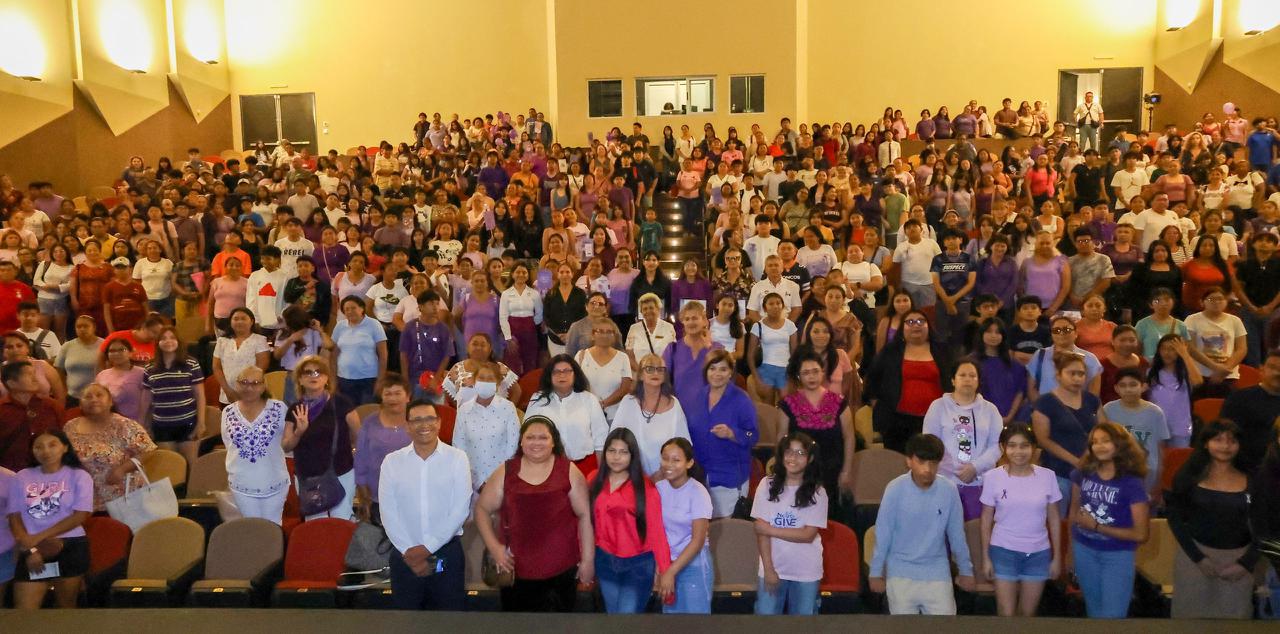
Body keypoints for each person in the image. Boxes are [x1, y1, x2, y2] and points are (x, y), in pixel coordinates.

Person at [473, 416, 595, 612]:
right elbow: (481, 509)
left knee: (560, 625)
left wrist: (588, 560)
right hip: (515, 571)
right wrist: (494, 548)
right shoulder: (506, 471)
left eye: (543, 437)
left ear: (553, 442)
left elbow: (585, 515)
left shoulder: (569, 471)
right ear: (521, 441)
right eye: (530, 437)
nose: (536, 443)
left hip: (561, 571)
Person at [379, 400, 472, 611]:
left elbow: (460, 510)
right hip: (404, 554)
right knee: (407, 621)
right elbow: (388, 512)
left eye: (430, 418)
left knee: (448, 620)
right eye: (417, 420)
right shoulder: (392, 462)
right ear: (407, 426)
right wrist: (410, 552)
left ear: (439, 422)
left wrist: (427, 549)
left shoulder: (457, 458)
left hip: (446, 553)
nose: (424, 425)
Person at [868, 433, 975, 615]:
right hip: (900, 574)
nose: (927, 469)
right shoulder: (894, 489)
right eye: (921, 461)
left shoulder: (949, 490)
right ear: (909, 461)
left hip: (937, 573)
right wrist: (875, 572)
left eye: (933, 463)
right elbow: (883, 533)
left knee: (944, 627)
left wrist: (966, 570)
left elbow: (956, 534)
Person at [1166, 420, 1257, 619]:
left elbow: (1264, 526)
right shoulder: (1188, 475)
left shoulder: (1253, 479)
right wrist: (1198, 558)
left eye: (1232, 441)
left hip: (1239, 562)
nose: (1225, 446)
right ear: (1206, 443)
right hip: (1194, 558)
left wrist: (1245, 563)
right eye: (1218, 440)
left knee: (1235, 624)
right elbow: (1175, 517)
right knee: (1189, 622)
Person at [979, 424, 1063, 617]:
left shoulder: (1048, 476)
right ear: (1003, 447)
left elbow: (1054, 518)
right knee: (1006, 613)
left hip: (1038, 553)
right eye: (1012, 445)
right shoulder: (992, 477)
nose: (1018, 451)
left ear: (1033, 448)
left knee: (1027, 614)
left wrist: (1057, 557)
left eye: (1024, 445)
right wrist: (986, 558)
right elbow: (986, 519)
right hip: (1003, 551)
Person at [1069, 422, 1151, 619]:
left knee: (1113, 616)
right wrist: (1069, 552)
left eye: (1106, 441)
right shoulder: (1083, 473)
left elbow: (1141, 534)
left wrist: (1097, 527)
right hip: (1084, 550)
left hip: (1117, 555)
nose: (1100, 446)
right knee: (1093, 611)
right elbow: (1074, 513)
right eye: (1095, 442)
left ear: (1119, 444)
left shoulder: (1132, 483)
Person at [5, 430, 92, 609]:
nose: (45, 451)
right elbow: (14, 517)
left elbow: (79, 516)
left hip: (70, 545)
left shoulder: (79, 476)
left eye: (52, 445)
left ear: (65, 447)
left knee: (65, 608)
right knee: (24, 611)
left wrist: (40, 537)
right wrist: (32, 548)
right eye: (39, 447)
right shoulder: (22, 476)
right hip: (31, 548)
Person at [587, 427, 671, 614]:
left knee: (627, 617)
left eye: (623, 452)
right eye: (612, 451)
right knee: (613, 616)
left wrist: (664, 570)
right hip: (604, 560)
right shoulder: (593, 480)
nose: (616, 457)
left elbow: (657, 531)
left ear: (632, 456)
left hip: (638, 564)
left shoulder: (645, 487)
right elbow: (586, 523)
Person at [752, 432, 828, 616]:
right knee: (765, 621)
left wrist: (770, 529)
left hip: (806, 571)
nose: (793, 458)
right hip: (772, 567)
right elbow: (760, 532)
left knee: (803, 625)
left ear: (810, 459)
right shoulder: (766, 485)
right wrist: (769, 569)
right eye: (789, 452)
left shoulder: (818, 492)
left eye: (800, 453)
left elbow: (807, 535)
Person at [923, 360, 1003, 520]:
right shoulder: (938, 407)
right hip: (945, 482)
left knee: (975, 531)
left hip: (980, 483)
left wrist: (975, 467)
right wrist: (957, 470)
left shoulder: (991, 410)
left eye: (972, 376)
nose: (967, 379)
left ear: (978, 381)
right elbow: (930, 444)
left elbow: (997, 446)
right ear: (953, 380)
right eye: (962, 375)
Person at [779, 352, 854, 517]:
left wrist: (846, 471)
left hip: (831, 471)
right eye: (806, 373)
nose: (811, 376)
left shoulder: (839, 402)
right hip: (798, 471)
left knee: (830, 518)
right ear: (798, 376)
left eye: (815, 371)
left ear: (823, 373)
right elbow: (782, 439)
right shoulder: (788, 404)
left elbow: (849, 438)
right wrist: (783, 469)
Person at [285, 355, 361, 521]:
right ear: (300, 380)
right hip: (308, 476)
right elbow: (286, 446)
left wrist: (352, 449)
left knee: (341, 521)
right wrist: (299, 432)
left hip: (340, 472)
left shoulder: (342, 403)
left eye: (318, 372)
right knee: (315, 525)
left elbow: (357, 434)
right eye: (308, 372)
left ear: (327, 378)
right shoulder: (295, 409)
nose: (314, 376)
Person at [63, 383, 155, 512]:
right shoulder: (70, 427)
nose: (94, 399)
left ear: (110, 401)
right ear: (80, 404)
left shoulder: (124, 425)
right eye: (88, 397)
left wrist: (122, 469)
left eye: (99, 395)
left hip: (124, 497)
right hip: (85, 497)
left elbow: (148, 451)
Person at [866, 310, 948, 453]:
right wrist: (877, 405)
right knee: (898, 461)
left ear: (928, 326)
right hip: (896, 421)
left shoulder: (941, 351)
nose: (916, 325)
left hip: (935, 419)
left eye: (921, 321)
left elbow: (951, 380)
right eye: (910, 322)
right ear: (902, 328)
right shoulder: (890, 351)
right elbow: (873, 379)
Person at [1032, 352, 1102, 513]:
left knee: (1087, 518)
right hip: (1057, 472)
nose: (1077, 378)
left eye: (1081, 374)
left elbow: (1103, 431)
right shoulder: (1045, 402)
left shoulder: (1091, 400)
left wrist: (1088, 457)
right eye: (1072, 373)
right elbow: (1043, 440)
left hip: (1089, 471)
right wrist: (1075, 461)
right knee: (1057, 518)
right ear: (1058, 375)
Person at [221, 366, 291, 525]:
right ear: (237, 384)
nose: (249, 388)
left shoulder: (279, 408)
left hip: (274, 483)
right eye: (244, 382)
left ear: (264, 386)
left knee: (273, 528)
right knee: (251, 529)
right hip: (241, 484)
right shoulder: (227, 412)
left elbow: (287, 443)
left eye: (255, 383)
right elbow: (229, 445)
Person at [654, 438, 713, 614]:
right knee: (671, 620)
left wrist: (671, 572)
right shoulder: (658, 488)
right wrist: (660, 566)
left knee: (695, 622)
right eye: (665, 458)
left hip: (693, 565)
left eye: (676, 460)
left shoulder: (698, 492)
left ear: (689, 463)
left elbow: (697, 540)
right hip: (666, 562)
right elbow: (657, 532)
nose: (669, 464)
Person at [524, 354, 609, 474]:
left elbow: (601, 439)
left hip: (585, 466)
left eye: (567, 371)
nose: (562, 375)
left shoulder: (589, 399)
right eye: (556, 372)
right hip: (548, 467)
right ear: (549, 376)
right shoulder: (538, 399)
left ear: (575, 374)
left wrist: (601, 474)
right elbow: (527, 434)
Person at [613, 353, 690, 478]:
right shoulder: (628, 402)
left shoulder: (674, 403)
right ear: (640, 375)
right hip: (632, 475)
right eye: (649, 369)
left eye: (660, 369)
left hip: (667, 475)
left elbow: (683, 444)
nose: (655, 373)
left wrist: (662, 472)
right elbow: (616, 440)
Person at [138, 327, 205, 467]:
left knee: (191, 465)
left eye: (172, 338)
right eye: (163, 338)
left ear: (178, 341)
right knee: (170, 466)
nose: (168, 341)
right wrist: (142, 423)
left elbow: (200, 396)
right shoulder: (150, 367)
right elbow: (146, 398)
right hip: (161, 424)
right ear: (158, 343)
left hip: (187, 422)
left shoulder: (191, 363)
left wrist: (201, 423)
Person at [1098, 368, 1169, 498]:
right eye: (1123, 385)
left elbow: (1160, 448)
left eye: (1133, 385)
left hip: (1147, 472)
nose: (1128, 389)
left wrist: (1159, 480)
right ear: (1116, 388)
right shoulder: (1108, 409)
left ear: (1143, 386)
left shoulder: (1155, 412)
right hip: (1117, 470)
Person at [353, 376, 412, 522]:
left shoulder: (417, 421)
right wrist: (362, 489)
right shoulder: (370, 422)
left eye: (397, 393)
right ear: (381, 397)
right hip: (376, 493)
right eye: (388, 394)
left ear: (408, 397)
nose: (393, 398)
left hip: (411, 493)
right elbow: (360, 458)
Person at [452, 363, 520, 490]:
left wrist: (496, 480)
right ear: (474, 381)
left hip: (502, 480)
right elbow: (459, 446)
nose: (485, 382)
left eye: (490, 379)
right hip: (471, 482)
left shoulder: (508, 408)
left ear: (498, 384)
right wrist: (476, 481)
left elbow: (513, 446)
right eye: (481, 378)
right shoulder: (464, 410)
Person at [1220, 349, 1280, 473]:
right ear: (1261, 369)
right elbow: (1227, 436)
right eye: (1272, 367)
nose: (1277, 373)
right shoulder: (1239, 399)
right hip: (1246, 468)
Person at [0, 361, 64, 472]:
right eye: (28, 374)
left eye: (34, 373)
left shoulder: (51, 406)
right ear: (12, 383)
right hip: (12, 473)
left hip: (51, 471)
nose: (35, 378)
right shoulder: (2, 410)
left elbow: (65, 438)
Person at [1184, 286, 1247, 399]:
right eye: (1211, 299)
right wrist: (1215, 367)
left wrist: (1225, 369)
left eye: (1220, 299)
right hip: (1200, 374)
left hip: (1227, 375)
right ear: (1202, 302)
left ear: (1226, 301)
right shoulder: (1192, 319)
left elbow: (1241, 349)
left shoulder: (1235, 320)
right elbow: (1190, 348)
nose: (1216, 302)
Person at [662, 301, 722, 411]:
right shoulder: (672, 349)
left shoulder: (717, 349)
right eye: (687, 319)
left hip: (710, 413)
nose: (690, 322)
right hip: (679, 413)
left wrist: (709, 347)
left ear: (704, 321)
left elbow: (725, 380)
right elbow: (663, 382)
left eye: (695, 318)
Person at [1027, 315, 1103, 397]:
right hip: (1043, 404)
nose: (1061, 333)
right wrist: (1041, 404)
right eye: (1056, 330)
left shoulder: (1090, 359)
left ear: (1076, 333)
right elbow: (1031, 388)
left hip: (1078, 405)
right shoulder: (1040, 355)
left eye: (1067, 330)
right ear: (1051, 334)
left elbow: (1093, 394)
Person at [1149, 335, 1203, 449]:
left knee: (1179, 458)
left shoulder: (1185, 373)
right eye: (1163, 348)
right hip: (1156, 426)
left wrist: (1185, 354)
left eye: (1172, 349)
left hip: (1180, 428)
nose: (1167, 352)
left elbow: (1198, 381)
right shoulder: (1151, 373)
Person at [574, 317, 633, 422]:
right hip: (586, 414)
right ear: (592, 335)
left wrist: (602, 404)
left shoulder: (623, 357)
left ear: (614, 336)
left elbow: (625, 389)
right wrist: (593, 405)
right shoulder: (581, 356)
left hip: (615, 416)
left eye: (609, 332)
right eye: (600, 331)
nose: (605, 335)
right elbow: (575, 384)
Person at [331, 296, 387, 405]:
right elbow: (333, 355)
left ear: (362, 308)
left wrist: (380, 380)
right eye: (346, 309)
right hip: (344, 379)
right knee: (347, 411)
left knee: (367, 411)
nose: (350, 311)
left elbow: (383, 355)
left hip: (369, 379)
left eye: (353, 308)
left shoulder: (374, 324)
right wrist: (333, 380)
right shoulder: (340, 326)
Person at [972, 318, 1029, 423]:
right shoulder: (971, 363)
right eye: (989, 331)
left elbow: (1020, 392)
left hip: (1011, 420)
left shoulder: (1014, 365)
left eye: (998, 332)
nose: (993, 335)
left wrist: (1009, 417)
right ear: (981, 334)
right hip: (980, 419)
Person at [212, 307, 271, 406]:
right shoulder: (222, 341)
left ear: (251, 321)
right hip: (227, 394)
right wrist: (227, 390)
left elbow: (261, 368)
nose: (239, 322)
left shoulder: (260, 340)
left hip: (251, 393)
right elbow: (216, 367)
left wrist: (245, 390)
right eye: (236, 319)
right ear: (230, 322)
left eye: (243, 318)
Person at [746, 292, 797, 405]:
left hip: (786, 369)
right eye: (771, 304)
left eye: (778, 303)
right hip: (765, 369)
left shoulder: (790, 325)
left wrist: (792, 374)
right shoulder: (757, 326)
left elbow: (795, 352)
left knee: (786, 404)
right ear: (765, 308)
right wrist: (756, 378)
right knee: (768, 405)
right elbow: (750, 355)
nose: (775, 306)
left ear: (782, 306)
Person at [442, 334, 520, 406]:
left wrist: (508, 410)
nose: (478, 348)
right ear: (467, 348)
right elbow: (448, 393)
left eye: (483, 345)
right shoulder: (457, 367)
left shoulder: (499, 367)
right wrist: (460, 409)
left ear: (490, 349)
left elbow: (517, 392)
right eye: (475, 344)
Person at [498, 262, 542, 376]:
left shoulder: (534, 293)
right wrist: (508, 337)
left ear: (528, 275)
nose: (521, 274)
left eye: (524, 272)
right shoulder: (506, 294)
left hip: (530, 332)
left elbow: (539, 314)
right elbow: (503, 317)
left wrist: (531, 324)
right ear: (512, 274)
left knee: (530, 362)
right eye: (518, 272)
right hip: (512, 333)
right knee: (512, 365)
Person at [53, 316, 103, 406]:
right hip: (72, 396)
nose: (82, 329)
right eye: (79, 327)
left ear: (94, 327)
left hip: (97, 397)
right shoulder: (67, 346)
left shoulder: (104, 344)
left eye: (86, 326)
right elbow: (58, 370)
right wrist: (64, 390)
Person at [94, 338, 145, 422]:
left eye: (122, 350)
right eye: (112, 351)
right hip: (106, 423)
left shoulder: (142, 373)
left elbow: (148, 403)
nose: (116, 353)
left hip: (135, 423)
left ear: (131, 353)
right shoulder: (102, 375)